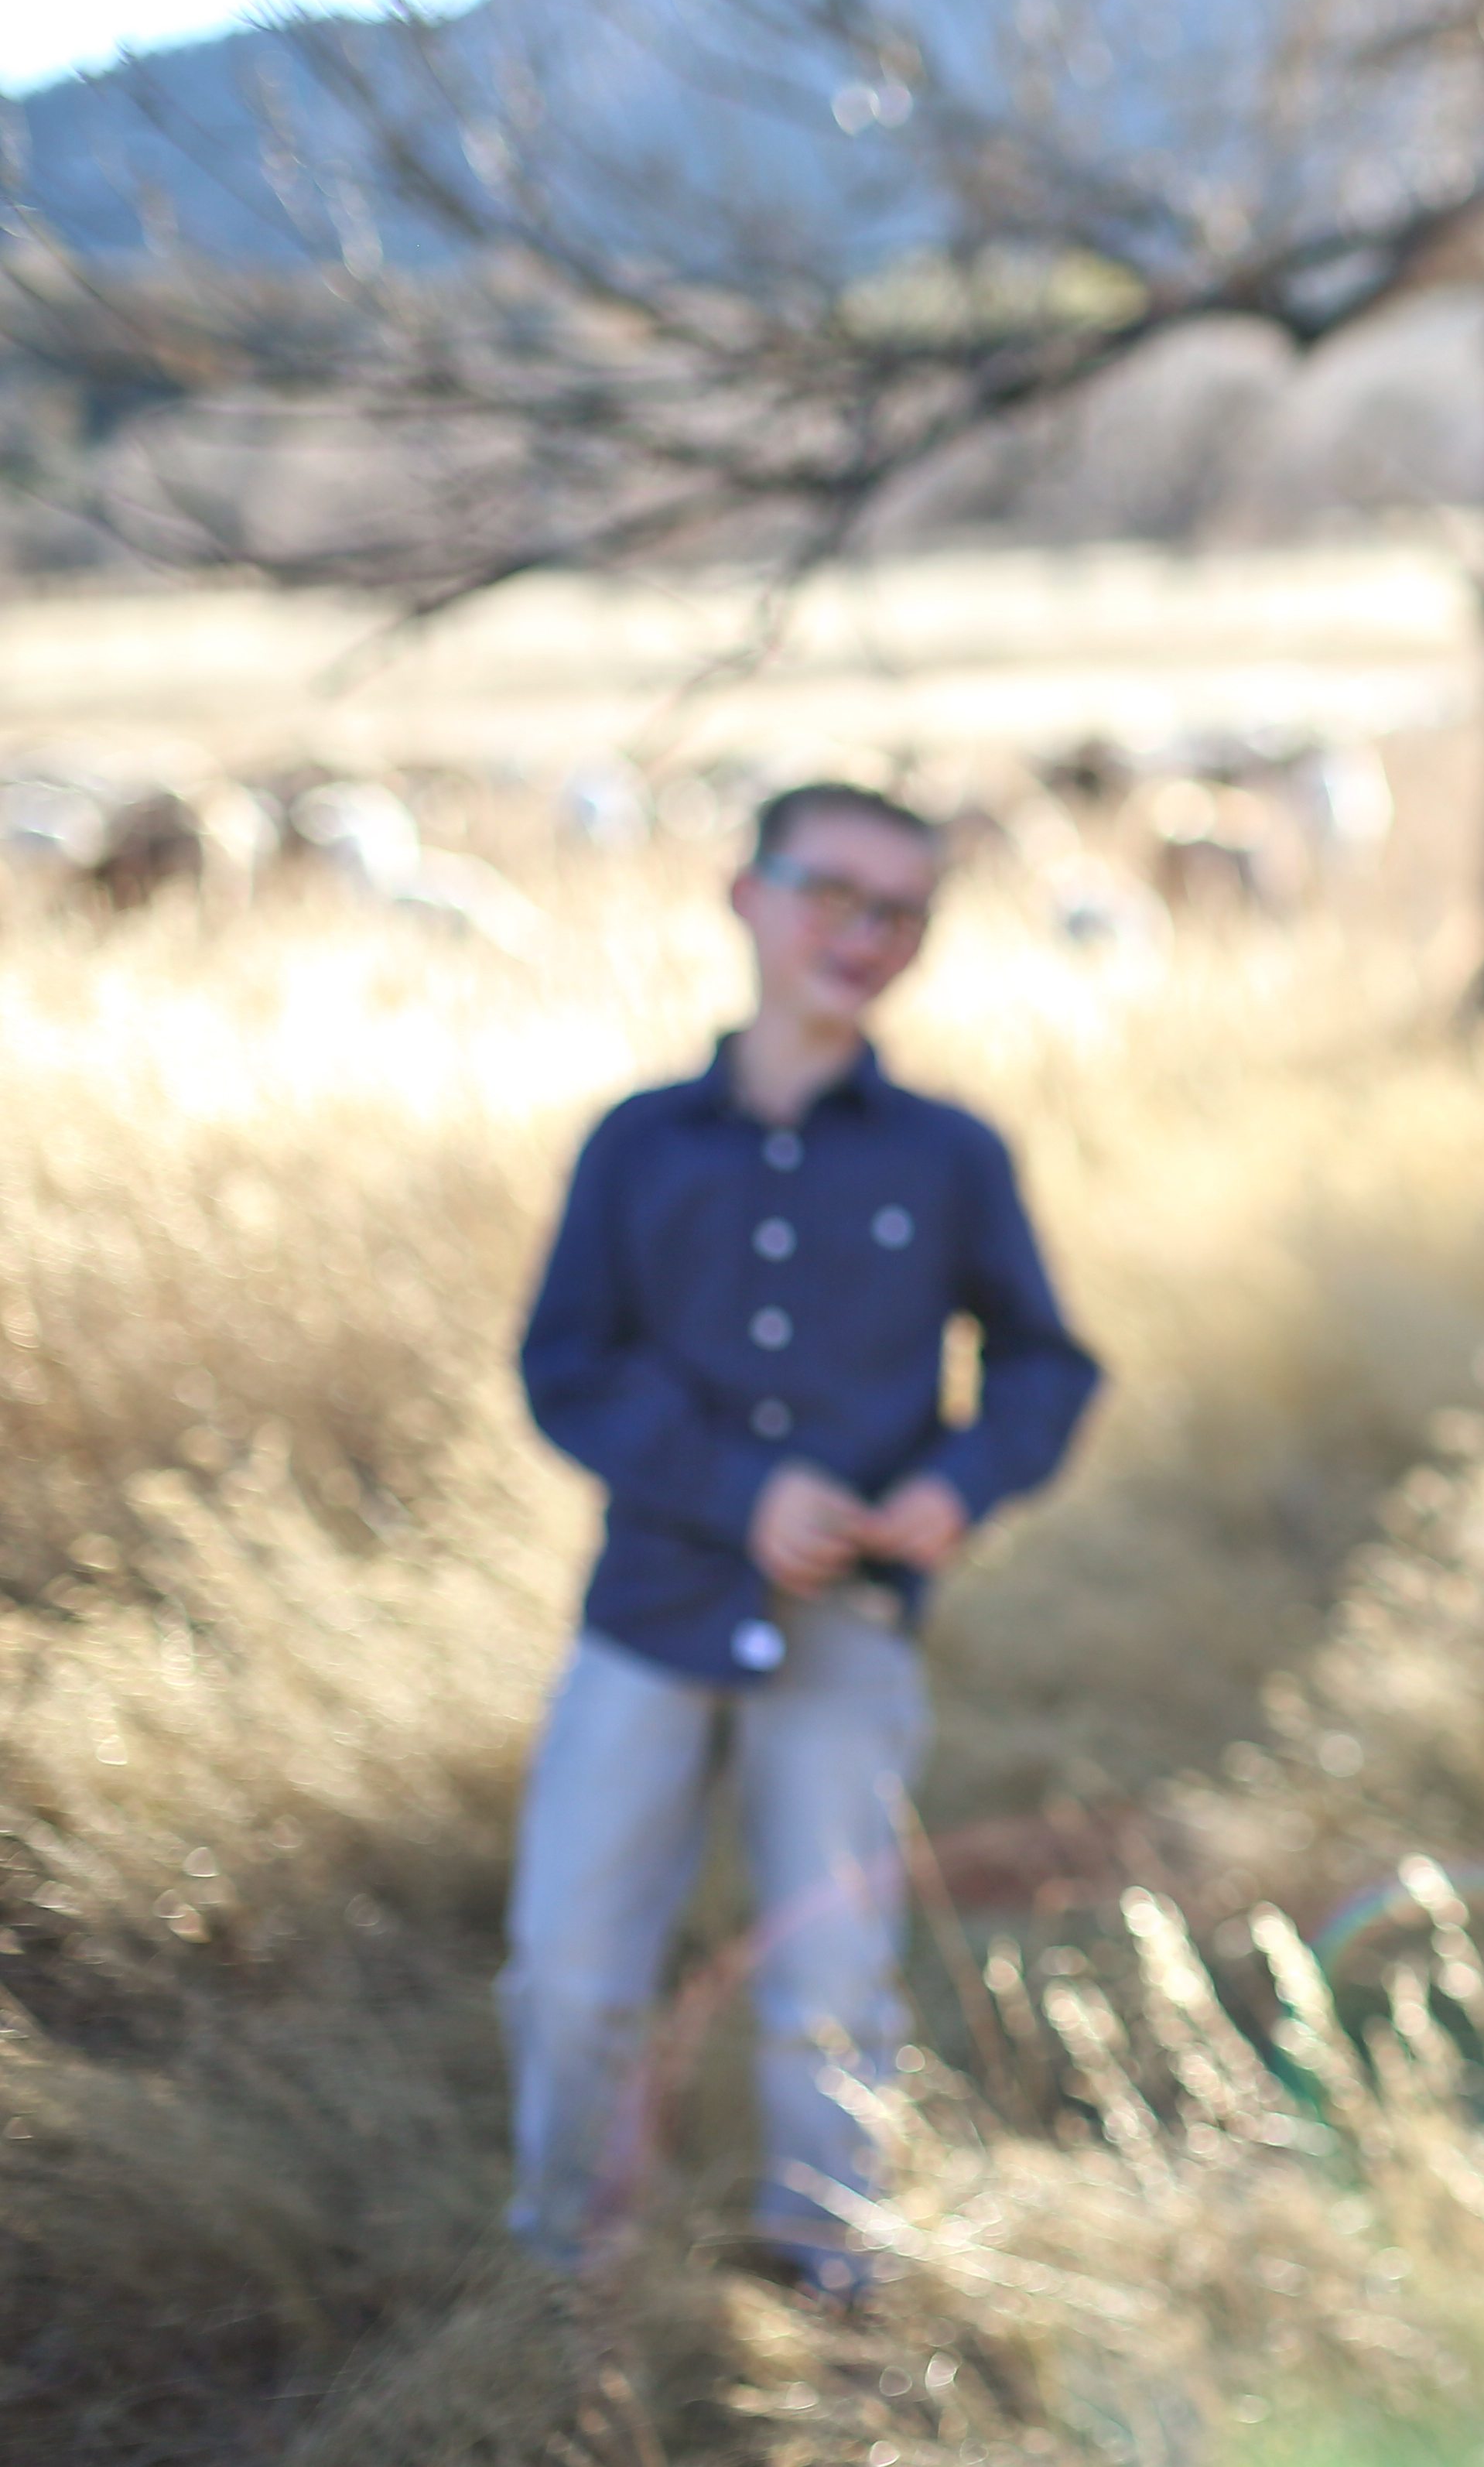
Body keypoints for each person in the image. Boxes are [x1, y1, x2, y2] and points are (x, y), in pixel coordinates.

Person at [505, 779, 1100, 2297]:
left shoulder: (949, 1155)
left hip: (848, 1631)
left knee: (830, 1977)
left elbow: (1044, 1361)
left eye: (902, 910)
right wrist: (732, 1491)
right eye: (832, 892)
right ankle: (567, 2264)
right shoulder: (640, 1145)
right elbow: (566, 1368)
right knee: (574, 1967)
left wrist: (960, 1485)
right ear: (746, 895)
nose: (865, 933)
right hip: (650, 1609)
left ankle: (834, 2263)